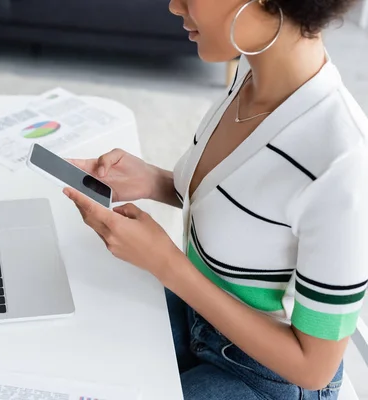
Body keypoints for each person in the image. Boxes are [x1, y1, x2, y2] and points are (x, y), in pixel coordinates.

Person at [63, 0, 368, 398]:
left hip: (268, 377)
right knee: (65, 347)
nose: (174, 6)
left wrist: (167, 265)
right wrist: (153, 181)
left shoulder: (341, 161)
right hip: (200, 317)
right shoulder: (250, 72)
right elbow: (251, 209)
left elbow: (314, 369)